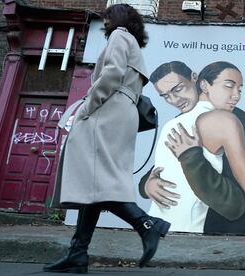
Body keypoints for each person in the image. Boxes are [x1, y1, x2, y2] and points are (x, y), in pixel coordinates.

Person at [44, 4, 170, 273]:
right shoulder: (132, 42)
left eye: (109, 15)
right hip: (123, 111)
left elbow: (111, 73)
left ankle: (146, 224)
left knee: (95, 178)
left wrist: (87, 107)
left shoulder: (119, 35)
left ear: (119, 18)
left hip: (107, 108)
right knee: (95, 181)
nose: (106, 20)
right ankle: (78, 253)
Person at [140, 61, 245, 234]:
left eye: (178, 89)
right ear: (204, 85)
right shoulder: (218, 121)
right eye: (166, 96)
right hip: (195, 231)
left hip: (170, 228)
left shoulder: (173, 125)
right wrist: (147, 185)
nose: (175, 100)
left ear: (196, 80)